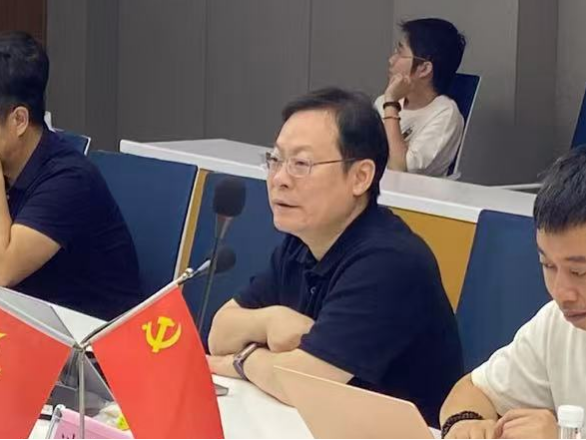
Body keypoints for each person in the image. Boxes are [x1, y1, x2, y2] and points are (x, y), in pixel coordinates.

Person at [207, 87, 463, 426]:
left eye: (301, 164)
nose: (279, 179)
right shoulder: (302, 241)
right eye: (275, 160)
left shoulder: (390, 262)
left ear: (360, 177)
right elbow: (219, 333)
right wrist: (270, 320)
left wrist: (243, 360)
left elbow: (302, 382)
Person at [440, 147, 586, 439]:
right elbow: (473, 390)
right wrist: (465, 424)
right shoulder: (556, 324)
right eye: (547, 265)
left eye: (579, 272)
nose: (561, 293)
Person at [0, 31, 142, 320]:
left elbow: (2, 273)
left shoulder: (69, 179)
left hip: (92, 338)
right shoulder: (10, 164)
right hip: (30, 325)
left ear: (19, 120)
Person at [375, 18, 466, 177]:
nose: (391, 60)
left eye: (400, 53)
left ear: (424, 69)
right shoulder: (383, 101)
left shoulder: (445, 114)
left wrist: (391, 105)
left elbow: (399, 171)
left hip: (407, 192)